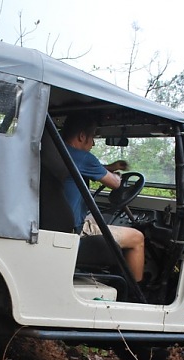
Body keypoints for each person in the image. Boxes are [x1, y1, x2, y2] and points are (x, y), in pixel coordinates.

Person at [61, 113, 145, 282]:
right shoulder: (84, 158)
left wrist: (109, 167)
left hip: (56, 219)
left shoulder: (57, 151)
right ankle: (134, 295)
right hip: (73, 228)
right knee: (137, 238)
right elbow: (115, 184)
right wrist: (117, 177)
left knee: (99, 218)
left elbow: (86, 168)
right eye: (92, 138)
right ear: (82, 136)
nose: (92, 144)